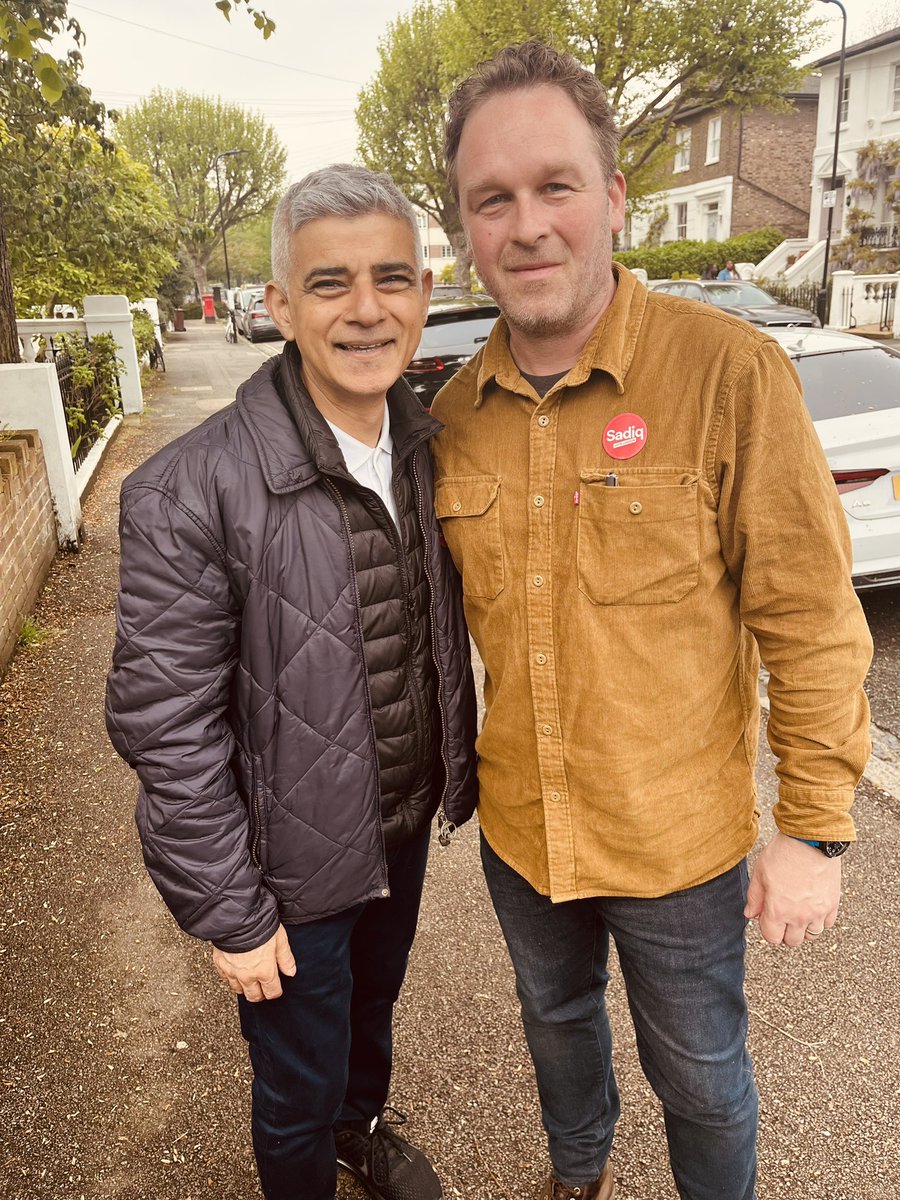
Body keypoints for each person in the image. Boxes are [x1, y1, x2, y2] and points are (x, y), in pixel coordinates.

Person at [431, 40, 872, 1200]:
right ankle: (577, 1176)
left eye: (556, 186)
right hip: (523, 832)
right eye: (494, 199)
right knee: (557, 1027)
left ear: (615, 198)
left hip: (678, 844)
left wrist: (816, 828)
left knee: (703, 1075)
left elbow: (812, 615)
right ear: (467, 228)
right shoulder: (454, 416)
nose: (527, 225)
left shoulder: (729, 374)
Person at [106, 164, 478, 1200]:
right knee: (293, 1081)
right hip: (284, 867)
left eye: (392, 278)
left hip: (398, 823)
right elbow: (164, 723)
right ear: (278, 306)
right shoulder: (188, 490)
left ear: (423, 294)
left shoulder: (433, 446)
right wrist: (230, 908)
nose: (368, 310)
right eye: (330, 284)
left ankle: (359, 1131)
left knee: (371, 1011)